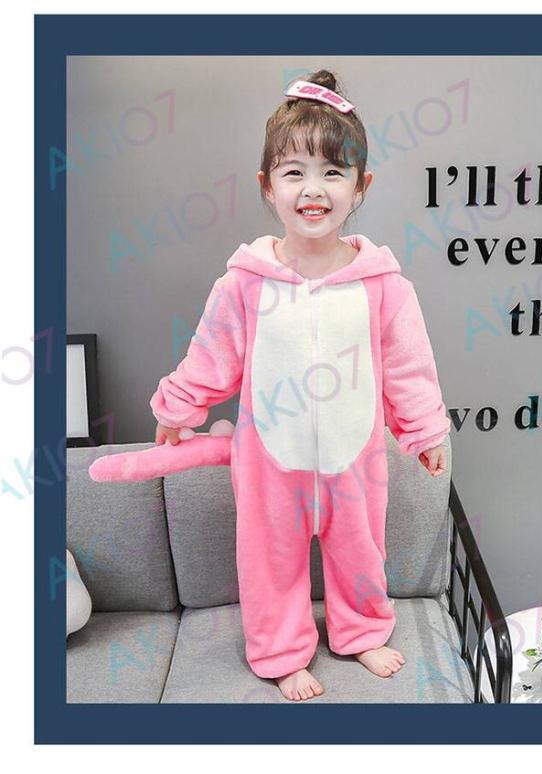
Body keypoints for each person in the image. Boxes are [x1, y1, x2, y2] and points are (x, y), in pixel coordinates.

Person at [150, 69, 451, 702]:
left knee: (361, 552)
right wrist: (177, 408)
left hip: (355, 458)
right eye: (294, 172)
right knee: (270, 561)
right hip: (269, 463)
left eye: (333, 172)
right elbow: (210, 356)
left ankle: (362, 632)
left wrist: (424, 431)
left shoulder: (384, 286)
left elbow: (409, 368)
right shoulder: (244, 283)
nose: (313, 189)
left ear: (361, 186)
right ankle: (283, 652)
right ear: (268, 185)